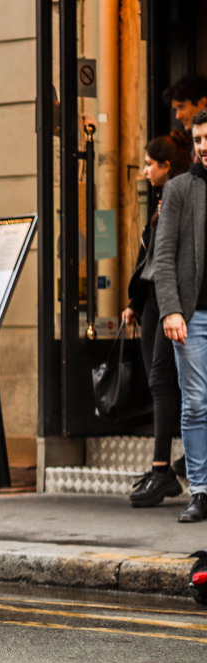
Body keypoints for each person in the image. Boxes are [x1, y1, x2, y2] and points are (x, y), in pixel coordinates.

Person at [121, 131, 192, 507]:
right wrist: (135, 300)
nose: (145, 170)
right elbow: (149, 256)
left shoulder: (177, 197)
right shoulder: (164, 198)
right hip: (153, 299)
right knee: (161, 382)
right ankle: (166, 466)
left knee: (163, 382)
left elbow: (165, 259)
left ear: (166, 166)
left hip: (168, 301)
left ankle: (164, 469)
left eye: (149, 164)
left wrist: (167, 305)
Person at [152, 110, 207, 522]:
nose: (203, 146)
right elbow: (163, 256)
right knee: (196, 403)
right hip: (194, 316)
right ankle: (201, 491)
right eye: (199, 139)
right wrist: (170, 309)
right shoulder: (180, 190)